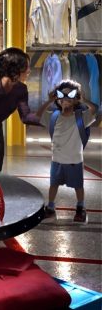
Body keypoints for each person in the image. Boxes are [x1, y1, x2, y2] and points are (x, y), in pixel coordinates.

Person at [35, 80, 96, 223]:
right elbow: (38, 115)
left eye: (70, 96)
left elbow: (94, 109)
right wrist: (49, 101)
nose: (65, 99)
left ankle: (80, 208)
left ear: (76, 99)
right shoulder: (54, 116)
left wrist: (83, 100)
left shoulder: (81, 117)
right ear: (57, 98)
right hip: (57, 159)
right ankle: (50, 208)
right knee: (53, 184)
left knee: (78, 186)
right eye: (62, 96)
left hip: (74, 159)